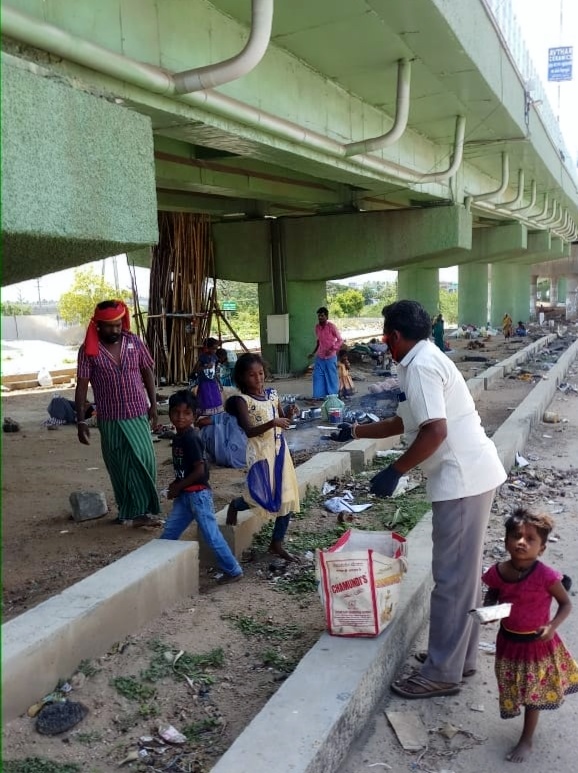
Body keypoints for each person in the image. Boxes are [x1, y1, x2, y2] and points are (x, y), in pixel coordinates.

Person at [335, 300, 506, 697]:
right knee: (464, 578)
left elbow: (435, 432)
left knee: (451, 580)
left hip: (462, 481)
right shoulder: (421, 359)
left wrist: (395, 471)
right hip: (469, 477)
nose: (385, 345)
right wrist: (356, 432)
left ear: (394, 336)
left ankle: (442, 673)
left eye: (385, 338)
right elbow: (406, 422)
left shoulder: (422, 366)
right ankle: (459, 660)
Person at [482, 508, 578, 763]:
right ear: (506, 541)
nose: (521, 542)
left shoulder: (546, 576)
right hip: (508, 643)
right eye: (516, 536)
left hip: (536, 645)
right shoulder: (498, 572)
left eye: (530, 538)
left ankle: (527, 739)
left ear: (542, 548)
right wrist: (489, 611)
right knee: (515, 685)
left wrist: (552, 626)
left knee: (532, 693)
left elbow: (565, 604)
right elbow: (493, 593)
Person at [75, 299, 161, 526]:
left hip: (137, 412)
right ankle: (130, 512)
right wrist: (81, 422)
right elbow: (82, 387)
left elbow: (147, 371)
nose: (114, 330)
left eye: (117, 324)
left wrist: (153, 405)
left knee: (144, 459)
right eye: (109, 326)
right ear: (98, 325)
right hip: (110, 418)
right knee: (119, 466)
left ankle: (143, 510)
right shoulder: (88, 351)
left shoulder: (133, 341)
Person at [159, 390, 243, 584]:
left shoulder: (191, 438)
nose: (180, 417)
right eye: (176, 412)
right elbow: (185, 469)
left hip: (198, 495)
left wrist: (178, 486)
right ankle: (158, 569)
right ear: (169, 414)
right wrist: (176, 485)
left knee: (211, 535)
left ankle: (233, 570)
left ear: (194, 415)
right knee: (169, 533)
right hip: (185, 496)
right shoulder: (178, 437)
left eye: (186, 413)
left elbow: (200, 471)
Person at [224, 353, 300, 562]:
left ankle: (277, 542)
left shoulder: (272, 395)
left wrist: (289, 414)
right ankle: (236, 505)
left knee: (286, 495)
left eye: (260, 373)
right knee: (261, 495)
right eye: (252, 375)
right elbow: (250, 431)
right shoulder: (243, 401)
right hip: (260, 454)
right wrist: (273, 423)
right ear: (242, 378)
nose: (258, 378)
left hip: (279, 451)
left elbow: (282, 420)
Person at [308, 307, 343, 399]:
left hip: (330, 357)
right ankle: (319, 396)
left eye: (322, 316)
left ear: (327, 317)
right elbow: (319, 341)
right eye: (319, 316)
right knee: (317, 376)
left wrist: (332, 349)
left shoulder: (331, 327)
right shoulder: (317, 327)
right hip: (320, 356)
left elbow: (340, 340)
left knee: (331, 377)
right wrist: (313, 352)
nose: (320, 317)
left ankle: (333, 396)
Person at [193, 337, 224, 416]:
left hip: (213, 382)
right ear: (207, 348)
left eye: (216, 349)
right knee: (205, 398)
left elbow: (215, 371)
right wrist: (205, 367)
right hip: (204, 382)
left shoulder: (215, 357)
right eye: (213, 348)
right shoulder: (202, 357)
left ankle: (214, 415)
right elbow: (195, 369)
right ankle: (204, 414)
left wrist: (219, 383)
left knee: (214, 398)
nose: (215, 351)